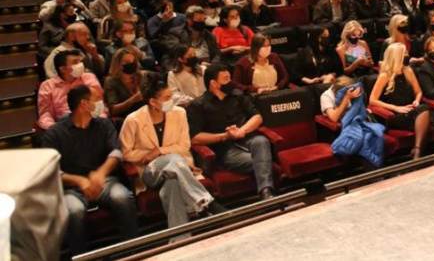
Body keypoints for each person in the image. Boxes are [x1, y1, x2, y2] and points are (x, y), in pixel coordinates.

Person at [120, 76, 223, 234]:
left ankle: (180, 236)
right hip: (149, 171)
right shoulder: (133, 120)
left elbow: (184, 145)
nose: (172, 100)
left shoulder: (180, 113)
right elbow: (125, 153)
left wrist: (159, 151)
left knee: (172, 184)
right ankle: (205, 202)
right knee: (174, 160)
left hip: (178, 168)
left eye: (171, 96)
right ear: (153, 102)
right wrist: (149, 155)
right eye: (167, 98)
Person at [43, 85, 138, 254]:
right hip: (71, 188)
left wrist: (100, 173)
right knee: (74, 211)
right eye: (97, 99)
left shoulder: (104, 124)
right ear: (84, 104)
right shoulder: (54, 133)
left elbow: (116, 152)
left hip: (104, 181)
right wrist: (79, 180)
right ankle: (80, 256)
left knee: (123, 198)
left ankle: (132, 251)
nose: (102, 104)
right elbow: (50, 170)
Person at [187, 64, 276, 199]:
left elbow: (257, 117)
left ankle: (266, 193)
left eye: (230, 78)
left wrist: (241, 130)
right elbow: (195, 138)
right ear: (214, 83)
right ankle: (267, 193)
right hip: (225, 150)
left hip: (248, 139)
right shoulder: (198, 105)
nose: (231, 82)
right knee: (263, 161)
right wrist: (224, 136)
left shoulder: (238, 95)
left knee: (261, 141)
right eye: (226, 79)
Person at [369, 43, 432, 160]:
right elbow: (372, 100)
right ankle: (418, 152)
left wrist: (416, 101)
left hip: (411, 109)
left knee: (424, 109)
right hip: (396, 114)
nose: (407, 56)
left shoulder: (408, 71)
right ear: (396, 56)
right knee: (424, 112)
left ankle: (417, 150)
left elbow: (418, 92)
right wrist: (396, 108)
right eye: (404, 54)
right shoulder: (384, 76)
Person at [37, 51, 105, 130]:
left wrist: (101, 122)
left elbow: (99, 103)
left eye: (80, 61)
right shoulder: (47, 86)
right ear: (63, 69)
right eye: (75, 62)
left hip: (91, 121)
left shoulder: (89, 77)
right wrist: (56, 130)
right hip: (63, 125)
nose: (81, 64)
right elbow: (46, 114)